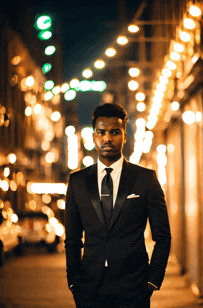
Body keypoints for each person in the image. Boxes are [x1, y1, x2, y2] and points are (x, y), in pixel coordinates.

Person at [65, 103, 171, 308]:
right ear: (93, 136)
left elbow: (163, 237)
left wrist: (152, 281)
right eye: (101, 132)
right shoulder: (78, 181)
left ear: (124, 136)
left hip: (134, 288)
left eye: (115, 132)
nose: (107, 138)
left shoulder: (145, 179)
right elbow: (72, 239)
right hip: (89, 289)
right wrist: (73, 282)